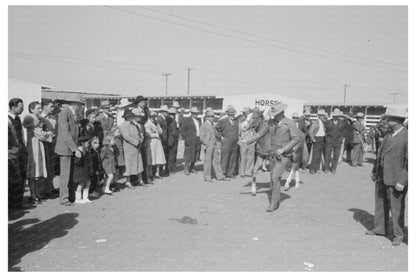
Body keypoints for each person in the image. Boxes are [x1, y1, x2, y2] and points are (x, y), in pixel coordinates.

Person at [241, 102, 300, 212]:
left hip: (284, 155)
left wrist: (283, 149)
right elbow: (259, 134)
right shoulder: (271, 122)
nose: (274, 116)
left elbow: (296, 139)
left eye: (276, 114)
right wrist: (246, 141)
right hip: (272, 155)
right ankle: (275, 198)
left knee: (275, 177)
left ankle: (274, 203)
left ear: (282, 113)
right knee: (273, 179)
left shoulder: (290, 123)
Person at [368, 106, 407, 246]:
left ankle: (398, 234)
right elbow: (380, 155)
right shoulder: (388, 135)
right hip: (381, 176)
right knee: (380, 205)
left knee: (396, 208)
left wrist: (403, 180)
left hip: (396, 179)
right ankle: (380, 229)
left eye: (389, 118)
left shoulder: (407, 137)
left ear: (396, 121)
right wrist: (374, 171)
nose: (386, 120)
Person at [54, 95, 84, 206]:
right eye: (80, 104)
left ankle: (70, 196)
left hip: (70, 147)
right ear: (75, 104)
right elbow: (65, 133)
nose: (81, 107)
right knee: (65, 175)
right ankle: (64, 198)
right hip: (66, 148)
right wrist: (74, 148)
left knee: (70, 174)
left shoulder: (71, 113)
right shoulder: (64, 113)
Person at [23, 101, 54, 204]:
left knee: (37, 171)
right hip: (33, 146)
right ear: (32, 109)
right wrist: (49, 134)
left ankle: (36, 193)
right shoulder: (31, 119)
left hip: (38, 146)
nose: (40, 110)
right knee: (33, 171)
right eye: (38, 108)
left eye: (40, 108)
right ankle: (32, 194)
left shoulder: (37, 119)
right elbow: (39, 134)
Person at [199, 110, 229, 182]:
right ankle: (207, 177)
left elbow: (215, 135)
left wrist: (218, 143)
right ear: (206, 117)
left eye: (212, 116)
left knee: (216, 161)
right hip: (208, 145)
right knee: (208, 161)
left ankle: (220, 176)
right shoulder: (204, 125)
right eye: (210, 116)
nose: (212, 118)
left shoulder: (213, 124)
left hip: (214, 145)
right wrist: (208, 143)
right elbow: (201, 137)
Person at [8, 98, 27, 209]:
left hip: (20, 152)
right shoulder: (6, 120)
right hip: (10, 154)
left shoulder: (18, 119)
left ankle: (18, 202)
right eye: (21, 107)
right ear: (13, 107)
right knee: (12, 179)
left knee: (21, 177)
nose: (23, 109)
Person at [38, 99, 59, 199]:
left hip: (51, 146)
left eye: (53, 106)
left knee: (51, 167)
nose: (53, 108)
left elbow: (55, 133)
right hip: (41, 145)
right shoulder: (39, 118)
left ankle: (49, 187)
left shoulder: (53, 119)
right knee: (43, 167)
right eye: (51, 106)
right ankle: (41, 190)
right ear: (45, 106)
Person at [119, 109, 144, 188]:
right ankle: (128, 181)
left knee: (138, 163)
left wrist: (140, 140)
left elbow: (137, 134)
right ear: (126, 117)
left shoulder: (133, 124)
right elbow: (126, 137)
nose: (132, 117)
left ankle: (139, 179)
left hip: (136, 147)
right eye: (130, 116)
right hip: (129, 147)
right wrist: (136, 142)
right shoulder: (123, 125)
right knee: (129, 165)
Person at [216, 105, 240, 178]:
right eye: (231, 114)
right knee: (225, 157)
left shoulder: (236, 121)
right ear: (228, 114)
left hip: (235, 142)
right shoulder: (223, 121)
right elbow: (216, 128)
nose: (232, 116)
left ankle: (231, 173)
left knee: (233, 158)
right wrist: (220, 137)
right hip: (226, 141)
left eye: (233, 114)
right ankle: (223, 173)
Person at [145, 111, 167, 180]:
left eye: (154, 117)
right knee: (152, 158)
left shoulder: (156, 123)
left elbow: (161, 131)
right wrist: (154, 133)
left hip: (157, 141)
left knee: (158, 157)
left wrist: (157, 127)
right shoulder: (147, 124)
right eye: (152, 117)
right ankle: (150, 173)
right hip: (151, 141)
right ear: (149, 117)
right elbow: (147, 133)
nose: (153, 118)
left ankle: (157, 173)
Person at [323, 108, 345, 173]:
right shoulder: (328, 122)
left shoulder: (342, 122)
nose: (335, 117)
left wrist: (341, 139)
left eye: (337, 115)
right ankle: (326, 168)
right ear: (332, 116)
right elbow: (325, 131)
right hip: (329, 141)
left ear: (338, 116)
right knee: (327, 155)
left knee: (336, 156)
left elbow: (344, 132)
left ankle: (333, 168)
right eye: (334, 115)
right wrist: (327, 139)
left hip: (338, 141)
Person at [180, 107, 201, 175]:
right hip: (190, 139)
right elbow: (183, 131)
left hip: (197, 139)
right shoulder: (187, 120)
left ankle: (191, 168)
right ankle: (186, 168)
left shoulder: (199, 120)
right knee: (188, 155)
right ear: (191, 113)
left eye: (196, 113)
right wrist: (186, 139)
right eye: (194, 113)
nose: (196, 114)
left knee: (196, 154)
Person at [73, 134, 93, 204]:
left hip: (85, 171)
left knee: (88, 182)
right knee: (81, 184)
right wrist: (80, 157)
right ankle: (78, 198)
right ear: (83, 143)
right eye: (88, 143)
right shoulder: (78, 152)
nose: (89, 144)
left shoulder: (86, 151)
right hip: (79, 171)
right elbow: (76, 162)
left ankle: (85, 197)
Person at [308, 109, 327, 174]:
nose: (323, 116)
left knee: (319, 155)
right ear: (319, 116)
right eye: (322, 115)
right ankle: (312, 169)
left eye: (323, 115)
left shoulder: (323, 122)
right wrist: (313, 139)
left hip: (322, 139)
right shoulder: (315, 122)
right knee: (315, 155)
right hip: (317, 139)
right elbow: (310, 131)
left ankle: (317, 168)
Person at [238, 107, 256, 178]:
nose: (244, 114)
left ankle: (248, 171)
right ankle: (242, 172)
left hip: (251, 139)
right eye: (243, 112)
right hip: (243, 139)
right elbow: (239, 131)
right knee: (243, 157)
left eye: (245, 112)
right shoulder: (240, 120)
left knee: (251, 156)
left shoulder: (253, 119)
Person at [166, 107, 179, 175]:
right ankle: (170, 169)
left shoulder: (167, 119)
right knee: (171, 154)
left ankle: (168, 168)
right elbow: (173, 131)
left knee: (169, 154)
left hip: (169, 139)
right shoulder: (172, 121)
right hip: (172, 139)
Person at [157, 105, 169, 175]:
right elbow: (159, 129)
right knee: (161, 154)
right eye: (165, 111)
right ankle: (160, 171)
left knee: (163, 154)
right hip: (162, 138)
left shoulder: (163, 118)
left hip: (164, 138)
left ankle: (161, 170)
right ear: (162, 112)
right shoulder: (160, 119)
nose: (167, 113)